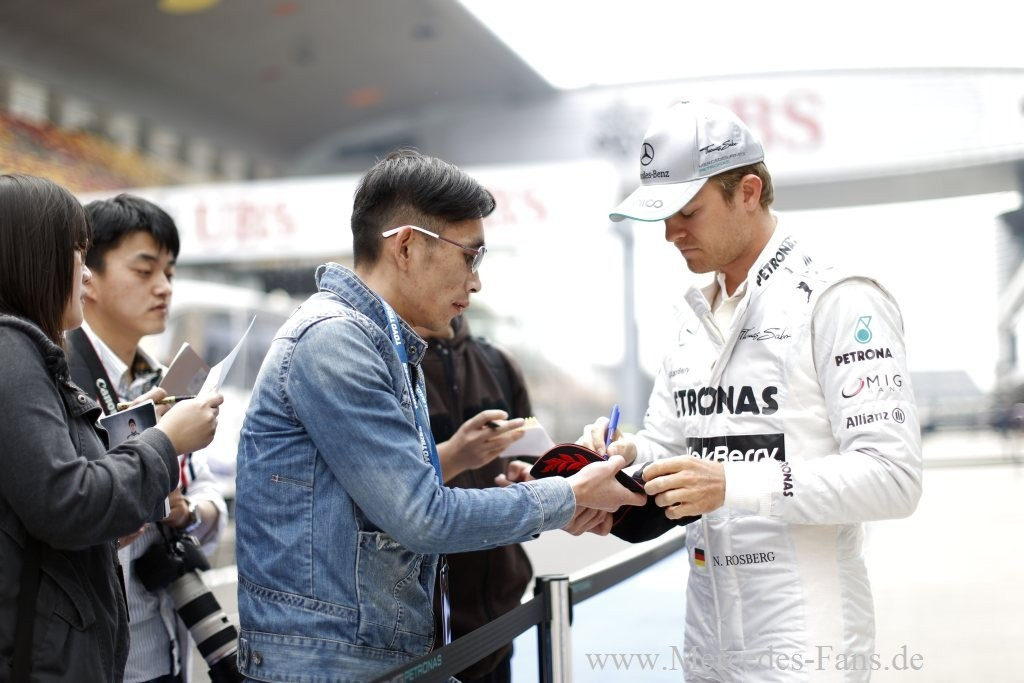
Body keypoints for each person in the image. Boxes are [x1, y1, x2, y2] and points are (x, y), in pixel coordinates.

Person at [234, 149, 645, 681]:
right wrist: (567, 495)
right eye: (470, 256)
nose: (476, 282)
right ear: (406, 246)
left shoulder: (387, 346)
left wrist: (554, 495)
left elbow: (410, 509)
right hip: (328, 664)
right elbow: (425, 516)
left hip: (369, 655)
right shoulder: (335, 341)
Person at [579, 101, 923, 682]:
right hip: (708, 626)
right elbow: (673, 445)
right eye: (662, 216)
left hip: (807, 633)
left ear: (748, 192)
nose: (670, 233)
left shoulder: (838, 295)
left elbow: (894, 479)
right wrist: (625, 456)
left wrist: (732, 484)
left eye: (688, 211)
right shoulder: (692, 315)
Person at [0, 173, 222, 682]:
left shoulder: (29, 351)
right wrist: (164, 441)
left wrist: (143, 433)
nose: (82, 275)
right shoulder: (13, 350)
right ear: (33, 259)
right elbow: (67, 501)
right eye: (76, 254)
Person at [67, 194, 229, 683]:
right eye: (144, 270)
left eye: (170, 272)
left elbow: (207, 492)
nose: (163, 287)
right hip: (100, 655)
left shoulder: (170, 377)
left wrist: (188, 512)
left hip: (168, 648)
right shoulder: (62, 379)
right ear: (87, 276)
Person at [418, 315, 535, 682]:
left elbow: (532, 458)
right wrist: (454, 456)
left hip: (498, 621)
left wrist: (531, 479)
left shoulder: (499, 363)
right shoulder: (388, 365)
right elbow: (382, 485)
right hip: (419, 637)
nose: (473, 287)